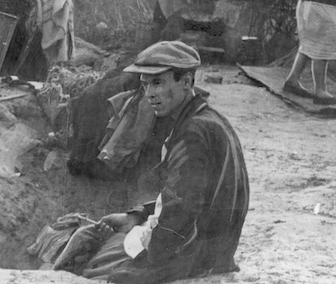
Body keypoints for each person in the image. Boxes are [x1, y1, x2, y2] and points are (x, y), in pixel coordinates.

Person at [55, 40, 249, 284]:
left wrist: (142, 264)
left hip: (196, 256)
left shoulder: (193, 133)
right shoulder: (205, 119)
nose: (149, 94)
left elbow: (181, 212)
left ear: (187, 82)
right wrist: (135, 217)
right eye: (145, 85)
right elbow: (181, 195)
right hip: (208, 248)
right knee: (92, 241)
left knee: (88, 267)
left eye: (158, 83)